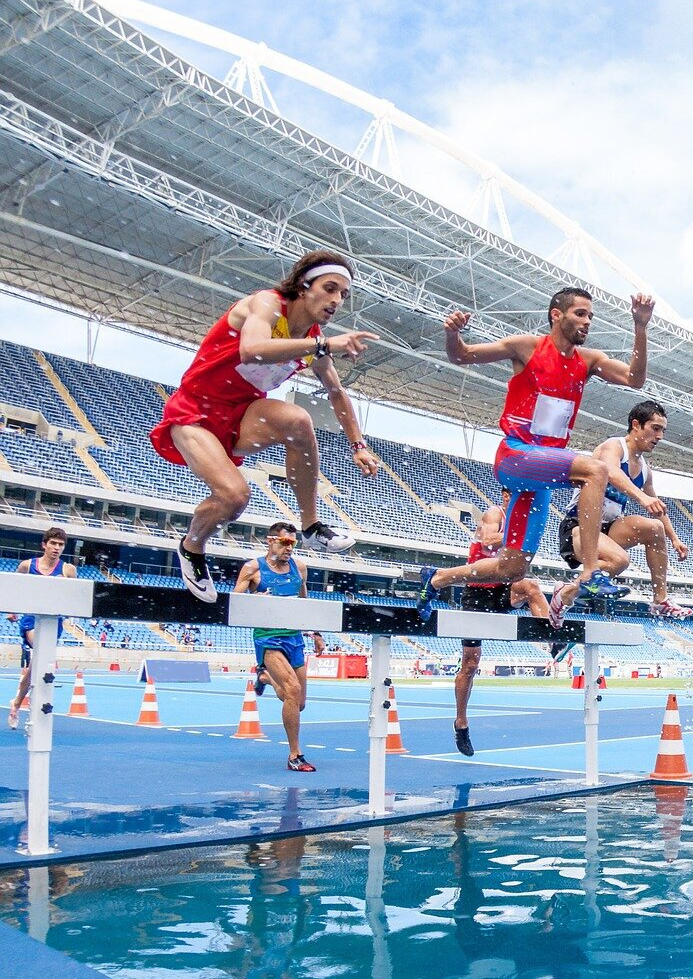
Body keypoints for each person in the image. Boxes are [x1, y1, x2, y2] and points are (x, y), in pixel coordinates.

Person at [153, 250, 379, 602]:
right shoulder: (267, 304)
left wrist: (358, 445)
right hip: (195, 412)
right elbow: (252, 350)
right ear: (303, 287)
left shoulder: (313, 340)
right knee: (234, 497)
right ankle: (192, 546)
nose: (336, 300)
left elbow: (336, 392)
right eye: (330, 288)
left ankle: (310, 525)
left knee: (299, 421)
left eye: (343, 295)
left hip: (241, 415)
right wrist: (322, 344)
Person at [417, 289, 656, 621]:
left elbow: (635, 379)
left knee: (512, 567)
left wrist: (640, 326)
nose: (587, 322)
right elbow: (462, 355)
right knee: (596, 471)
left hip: (542, 472)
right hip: (516, 456)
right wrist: (452, 334)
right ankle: (590, 573)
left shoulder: (589, 361)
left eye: (590, 316)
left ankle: (438, 578)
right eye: (580, 314)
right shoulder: (526, 347)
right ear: (556, 315)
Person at [555, 400, 693, 617]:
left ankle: (660, 600)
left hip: (609, 529)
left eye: (663, 431)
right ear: (636, 425)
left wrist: (674, 539)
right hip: (578, 528)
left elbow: (657, 507)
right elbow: (610, 470)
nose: (660, 437)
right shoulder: (614, 446)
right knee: (619, 561)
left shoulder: (646, 471)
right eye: (655, 429)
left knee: (655, 527)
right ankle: (565, 595)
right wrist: (640, 497)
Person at [452, 506, 551, 757]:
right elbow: (487, 542)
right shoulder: (495, 514)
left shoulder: (524, 521)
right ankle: (461, 722)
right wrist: (519, 537)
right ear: (508, 495)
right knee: (470, 665)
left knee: (531, 587)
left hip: (501, 591)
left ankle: (553, 639)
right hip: (476, 593)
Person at [233, 522, 316, 772]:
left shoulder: (299, 568)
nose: (290, 548)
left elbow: (305, 602)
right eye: (285, 542)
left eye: (294, 543)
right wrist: (255, 598)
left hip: (294, 637)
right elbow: (235, 602)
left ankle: (266, 678)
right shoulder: (253, 568)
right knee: (291, 689)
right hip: (268, 638)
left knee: (298, 702)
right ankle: (295, 755)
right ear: (271, 541)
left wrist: (316, 633)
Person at [8, 527, 77, 730]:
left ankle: (17, 702)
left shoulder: (68, 570)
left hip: (53, 622)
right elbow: (14, 587)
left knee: (37, 665)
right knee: (41, 653)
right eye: (53, 543)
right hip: (31, 619)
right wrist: (12, 610)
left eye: (61, 544)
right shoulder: (27, 566)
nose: (57, 548)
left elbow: (74, 598)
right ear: (44, 544)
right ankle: (30, 709)